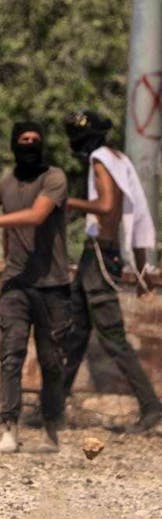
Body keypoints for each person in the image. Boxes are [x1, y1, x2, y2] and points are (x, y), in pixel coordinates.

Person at [62, 109, 161, 433]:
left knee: (114, 338)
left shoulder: (100, 160)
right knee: (76, 332)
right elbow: (138, 211)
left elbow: (107, 207)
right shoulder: (119, 158)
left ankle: (151, 408)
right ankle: (54, 407)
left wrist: (69, 202)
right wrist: (142, 265)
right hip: (99, 255)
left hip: (100, 256)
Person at [0, 122, 71, 453]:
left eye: (35, 139)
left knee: (52, 361)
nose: (29, 144)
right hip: (16, 283)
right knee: (10, 355)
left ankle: (51, 429)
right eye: (23, 139)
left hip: (53, 284)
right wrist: (5, 268)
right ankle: (9, 427)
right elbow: (10, 236)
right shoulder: (6, 183)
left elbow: (37, 216)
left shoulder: (54, 178)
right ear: (14, 144)